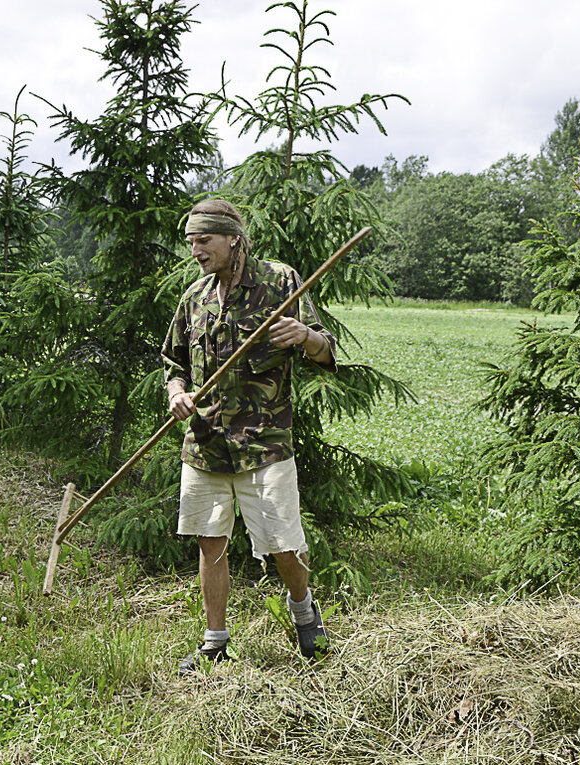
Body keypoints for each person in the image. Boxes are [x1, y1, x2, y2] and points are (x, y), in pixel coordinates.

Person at [162, 199, 336, 674]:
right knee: (209, 541)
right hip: (204, 445)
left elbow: (326, 353)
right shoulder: (194, 298)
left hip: (265, 444)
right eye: (191, 241)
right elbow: (173, 364)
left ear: (232, 238)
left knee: (282, 543)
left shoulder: (280, 281)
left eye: (204, 240)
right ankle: (215, 641)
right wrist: (178, 394)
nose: (196, 250)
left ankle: (303, 611)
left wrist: (304, 335)